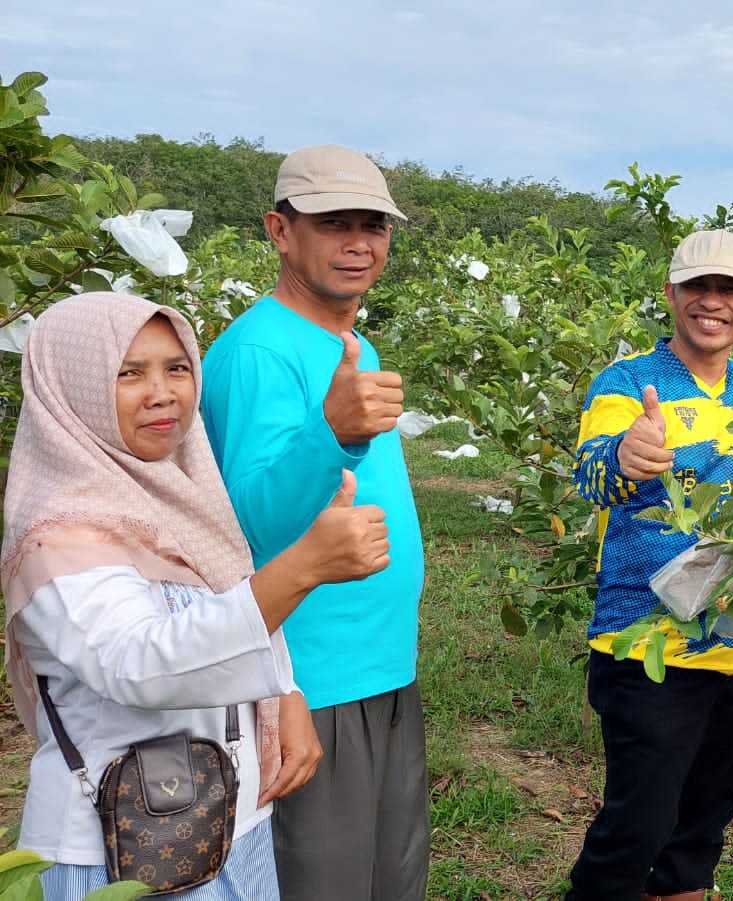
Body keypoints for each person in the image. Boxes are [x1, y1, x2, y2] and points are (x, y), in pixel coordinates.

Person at [1, 293, 390, 900]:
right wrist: (303, 568)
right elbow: (141, 665)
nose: (162, 393)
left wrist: (284, 691)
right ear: (69, 386)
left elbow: (226, 592)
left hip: (225, 825)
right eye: (128, 373)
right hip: (121, 850)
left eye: (176, 368)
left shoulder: (179, 499)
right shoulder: (61, 533)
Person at [565, 229, 733, 901]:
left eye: (729, 289)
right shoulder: (629, 382)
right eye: (698, 287)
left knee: (699, 833)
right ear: (671, 295)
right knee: (636, 828)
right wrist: (626, 458)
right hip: (647, 649)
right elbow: (592, 474)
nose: (711, 302)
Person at [199, 145, 428, 900]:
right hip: (311, 679)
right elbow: (245, 525)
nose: (359, 242)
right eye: (334, 224)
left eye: (374, 225)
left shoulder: (353, 344)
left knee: (388, 878)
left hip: (382, 667)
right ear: (280, 230)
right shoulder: (256, 352)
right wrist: (330, 428)